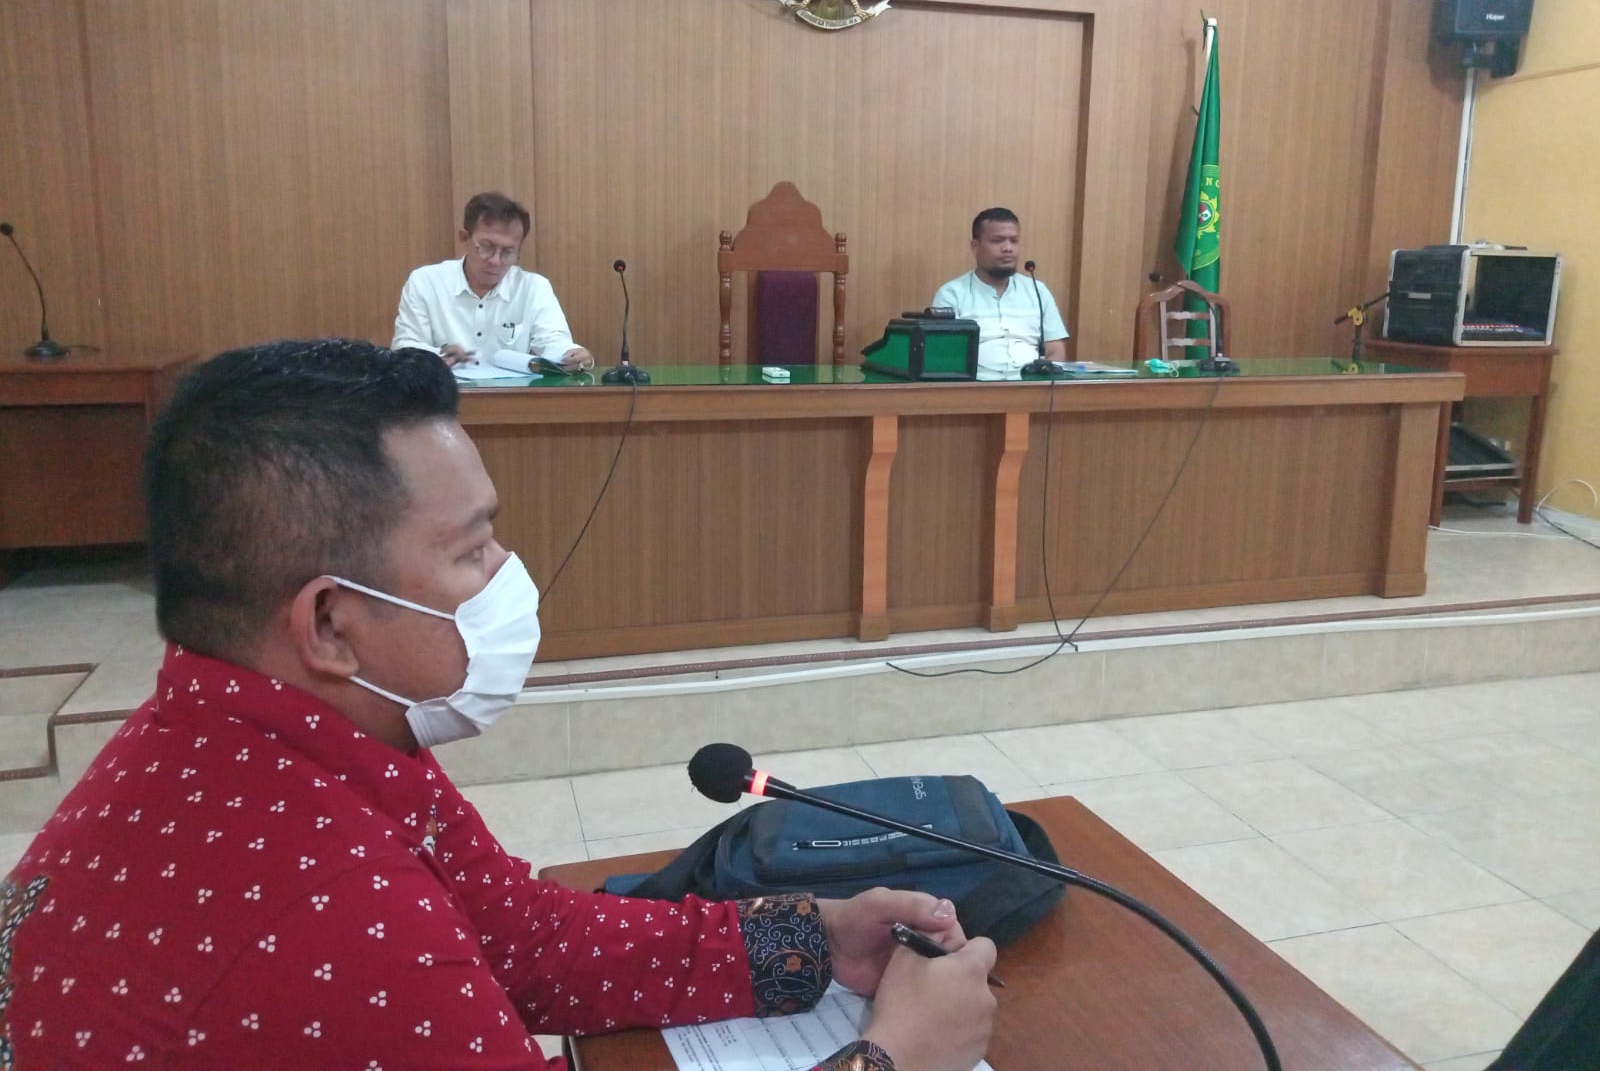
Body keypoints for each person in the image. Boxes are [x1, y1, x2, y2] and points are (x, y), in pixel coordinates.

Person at [0, 339, 996, 1071]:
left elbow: (521, 940)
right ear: (331, 624)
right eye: (473, 549)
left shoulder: (267, 731)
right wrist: (897, 1057)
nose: (507, 573)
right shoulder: (328, 912)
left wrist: (813, 939)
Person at [393, 191, 595, 373]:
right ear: (464, 238)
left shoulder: (534, 287)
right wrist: (440, 356)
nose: (496, 261)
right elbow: (404, 347)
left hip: (513, 399)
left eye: (508, 252)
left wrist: (573, 355)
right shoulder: (426, 282)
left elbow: (553, 342)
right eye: (487, 247)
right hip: (441, 397)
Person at [932, 207, 1068, 379]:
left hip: (1031, 386)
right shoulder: (952, 294)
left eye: (1014, 241)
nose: (1008, 248)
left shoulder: (1037, 290)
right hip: (975, 387)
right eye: (997, 241)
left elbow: (1055, 349)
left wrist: (1044, 384)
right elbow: (944, 354)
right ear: (975, 246)